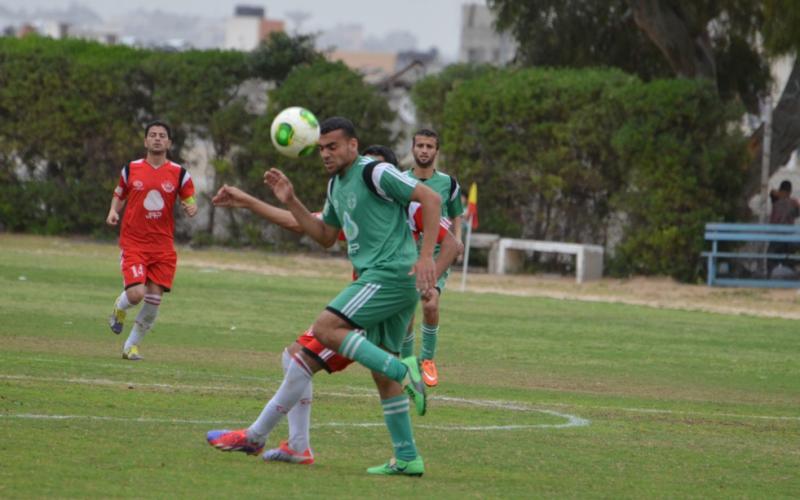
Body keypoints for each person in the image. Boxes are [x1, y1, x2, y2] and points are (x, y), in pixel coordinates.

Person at [209, 121, 442, 476]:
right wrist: (290, 200)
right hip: (382, 280)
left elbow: (432, 197)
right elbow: (324, 235)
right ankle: (407, 456)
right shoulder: (336, 185)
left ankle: (402, 370)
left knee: (324, 328)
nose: (325, 154)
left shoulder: (374, 171)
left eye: (332, 146)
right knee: (377, 375)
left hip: (390, 274)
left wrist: (427, 259)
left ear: (353, 145)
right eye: (321, 148)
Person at [106, 120, 197, 360]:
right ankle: (120, 307)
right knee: (136, 294)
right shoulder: (131, 169)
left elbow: (189, 199)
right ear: (146, 141)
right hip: (134, 243)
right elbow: (119, 193)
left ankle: (131, 346)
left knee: (154, 298)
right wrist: (114, 210)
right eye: (153, 135)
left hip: (163, 246)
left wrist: (191, 208)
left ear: (169, 143)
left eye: (162, 135)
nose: (157, 138)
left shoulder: (180, 174)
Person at [400, 128, 464, 387]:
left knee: (430, 301)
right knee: (406, 311)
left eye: (429, 146)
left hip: (437, 254)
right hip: (407, 254)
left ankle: (427, 359)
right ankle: (407, 362)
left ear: (436, 151)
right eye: (420, 145)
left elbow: (456, 213)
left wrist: (457, 241)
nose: (424, 150)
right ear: (412, 148)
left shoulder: (448, 183)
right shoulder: (400, 180)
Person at [768, 180, 800, 274]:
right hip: (783, 238)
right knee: (782, 257)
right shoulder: (787, 201)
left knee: (775, 258)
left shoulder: (777, 199)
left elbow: (773, 193)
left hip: (780, 238)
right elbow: (773, 192)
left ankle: (774, 274)